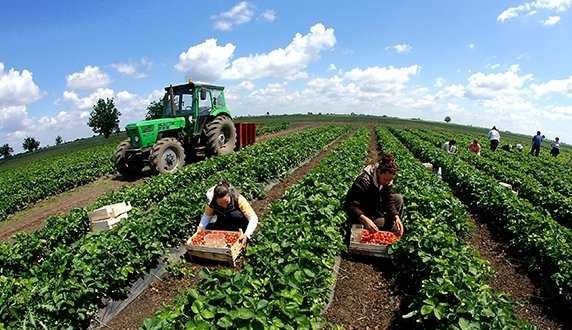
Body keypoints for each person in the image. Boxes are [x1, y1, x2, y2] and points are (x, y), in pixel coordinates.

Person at [344, 153, 404, 236]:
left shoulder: (387, 181)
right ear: (378, 172)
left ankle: (391, 225)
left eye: (389, 180)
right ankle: (383, 227)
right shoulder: (364, 181)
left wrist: (396, 216)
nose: (386, 182)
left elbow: (388, 200)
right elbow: (350, 205)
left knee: (398, 198)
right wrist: (365, 219)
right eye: (385, 179)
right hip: (363, 212)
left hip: (375, 206)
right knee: (385, 225)